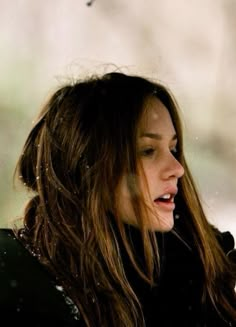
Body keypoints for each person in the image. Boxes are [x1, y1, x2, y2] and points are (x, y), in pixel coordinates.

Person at [0, 71, 235, 326]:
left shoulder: (207, 282)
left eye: (173, 148)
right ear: (88, 167)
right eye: (148, 150)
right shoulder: (22, 286)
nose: (177, 168)